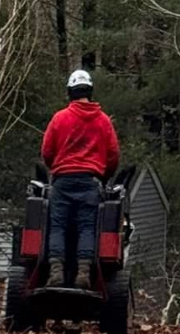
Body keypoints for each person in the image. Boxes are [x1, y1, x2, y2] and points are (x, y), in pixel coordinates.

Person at [40, 69, 120, 289]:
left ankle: (56, 271)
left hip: (63, 181)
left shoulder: (60, 118)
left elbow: (47, 151)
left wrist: (56, 169)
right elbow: (113, 154)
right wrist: (104, 175)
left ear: (70, 92)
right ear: (90, 91)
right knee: (87, 227)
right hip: (90, 182)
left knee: (58, 227)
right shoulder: (103, 121)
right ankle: (83, 273)